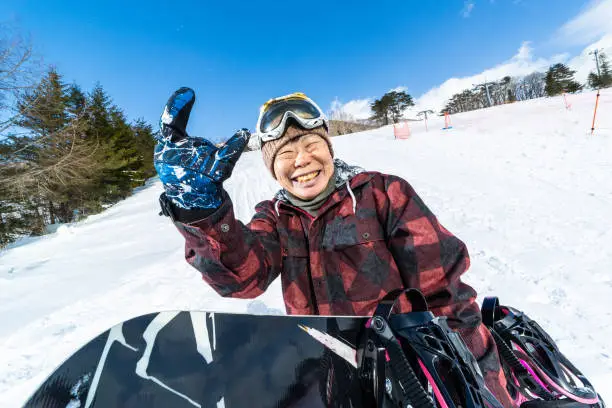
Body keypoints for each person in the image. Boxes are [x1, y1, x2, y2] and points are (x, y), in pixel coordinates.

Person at [154, 88, 513, 406]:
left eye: (311, 145)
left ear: (328, 149)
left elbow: (448, 299)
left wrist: (483, 388)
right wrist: (201, 212)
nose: (302, 160)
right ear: (271, 167)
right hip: (324, 379)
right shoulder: (274, 217)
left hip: (407, 378)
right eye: (286, 153)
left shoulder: (382, 193)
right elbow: (242, 280)